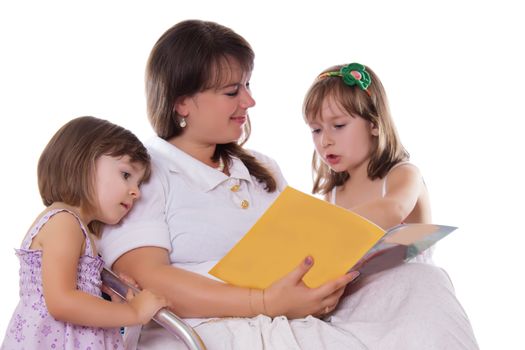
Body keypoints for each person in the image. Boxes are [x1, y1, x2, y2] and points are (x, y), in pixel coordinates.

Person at [100, 20, 479, 349]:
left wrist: (321, 286)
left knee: (420, 282)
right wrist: (264, 302)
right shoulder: (145, 170)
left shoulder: (262, 168)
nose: (249, 100)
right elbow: (148, 279)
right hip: (217, 323)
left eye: (247, 85)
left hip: (290, 312)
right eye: (232, 91)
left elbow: (303, 247)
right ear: (183, 103)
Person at [1, 116, 167, 350]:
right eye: (126, 175)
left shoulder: (80, 230)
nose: (136, 193)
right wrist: (132, 311)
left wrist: (110, 297)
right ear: (83, 164)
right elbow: (62, 302)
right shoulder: (64, 223)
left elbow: (78, 298)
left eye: (139, 184)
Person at [303, 62, 433, 263]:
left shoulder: (403, 174)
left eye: (338, 125)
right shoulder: (334, 194)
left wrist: (323, 225)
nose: (325, 141)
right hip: (366, 292)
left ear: (374, 124)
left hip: (413, 288)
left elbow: (392, 210)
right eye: (316, 130)